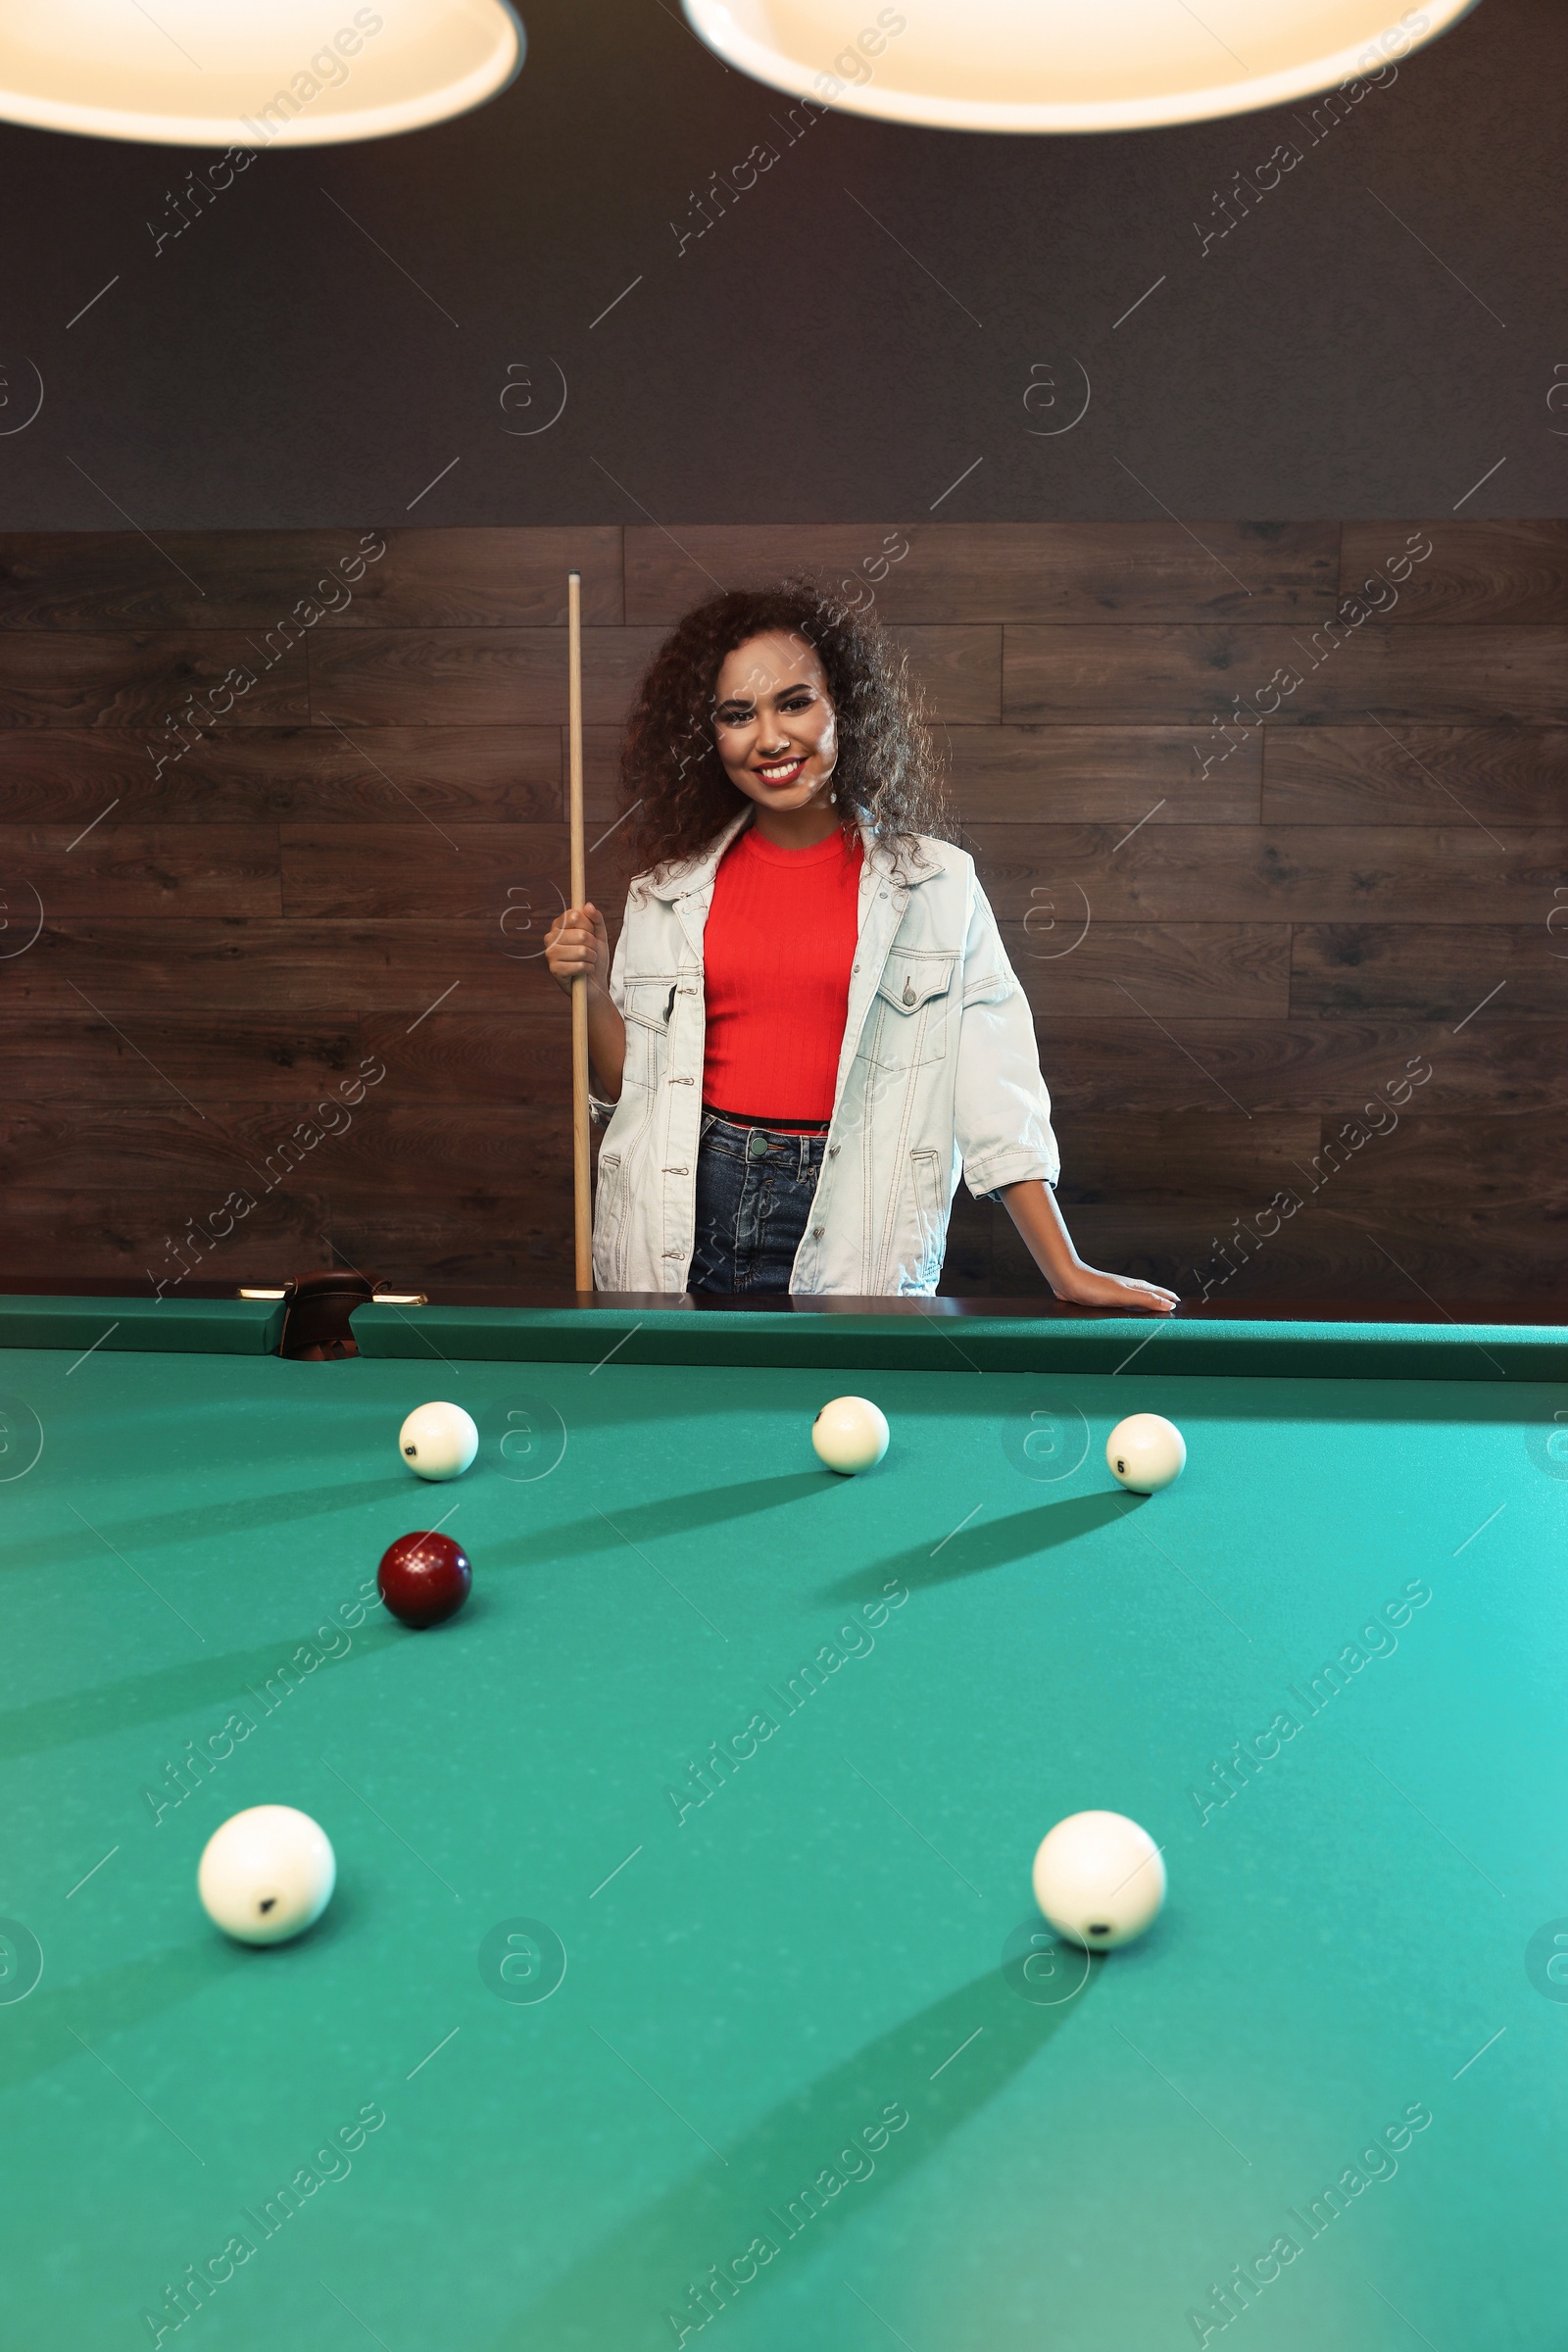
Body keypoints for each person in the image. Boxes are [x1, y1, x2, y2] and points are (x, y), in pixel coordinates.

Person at [545, 584, 1177, 1311]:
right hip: (684, 1214)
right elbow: (633, 1089)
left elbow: (995, 1091)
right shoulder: (663, 894)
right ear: (708, 737)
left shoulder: (937, 886)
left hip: (854, 1214)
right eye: (737, 715)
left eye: (794, 702)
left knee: (837, 1420)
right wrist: (590, 990)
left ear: (843, 708)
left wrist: (1064, 1270)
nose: (771, 738)